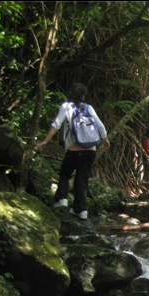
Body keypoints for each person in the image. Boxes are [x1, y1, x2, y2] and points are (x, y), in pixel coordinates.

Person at [36, 83, 110, 220]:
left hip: (74, 150)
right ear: (84, 95)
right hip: (91, 151)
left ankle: (62, 199)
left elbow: (56, 124)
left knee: (65, 173)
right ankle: (81, 210)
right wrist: (105, 139)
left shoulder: (66, 106)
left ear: (71, 94)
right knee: (82, 180)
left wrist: (46, 140)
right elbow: (100, 125)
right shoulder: (89, 108)